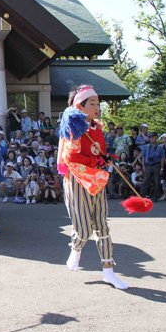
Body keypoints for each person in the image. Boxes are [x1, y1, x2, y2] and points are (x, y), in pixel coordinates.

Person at [59, 85, 128, 290]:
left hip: (96, 179)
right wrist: (95, 161)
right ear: (80, 105)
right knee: (83, 228)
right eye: (93, 103)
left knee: (102, 226)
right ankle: (76, 248)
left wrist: (104, 160)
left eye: (98, 103)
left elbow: (99, 152)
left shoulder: (97, 127)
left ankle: (108, 271)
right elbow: (70, 157)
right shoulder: (73, 125)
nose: (97, 107)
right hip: (78, 180)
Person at [140, 132, 165, 202]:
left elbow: (162, 158)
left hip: (156, 165)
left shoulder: (160, 147)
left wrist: (162, 168)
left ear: (156, 138)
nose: (152, 139)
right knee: (145, 181)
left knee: (156, 181)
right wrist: (143, 166)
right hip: (148, 165)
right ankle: (142, 195)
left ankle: (156, 196)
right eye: (150, 137)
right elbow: (143, 157)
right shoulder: (146, 146)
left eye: (153, 137)